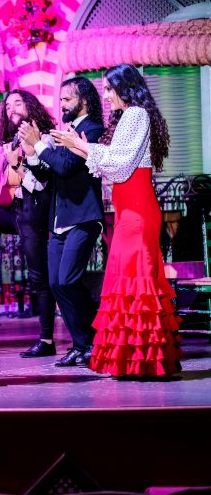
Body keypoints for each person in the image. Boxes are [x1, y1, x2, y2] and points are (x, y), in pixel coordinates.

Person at [50, 63, 182, 378]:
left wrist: (80, 146)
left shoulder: (136, 114)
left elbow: (120, 166)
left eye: (109, 88)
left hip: (137, 210)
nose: (105, 95)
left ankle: (144, 359)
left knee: (137, 278)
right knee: (128, 279)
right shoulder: (130, 117)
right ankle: (135, 358)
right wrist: (81, 148)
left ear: (126, 87)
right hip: (129, 210)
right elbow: (112, 166)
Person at [19, 77, 106, 366]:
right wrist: (32, 154)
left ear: (82, 100)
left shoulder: (91, 129)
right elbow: (48, 175)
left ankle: (96, 333)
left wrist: (41, 147)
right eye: (61, 100)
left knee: (68, 279)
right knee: (57, 283)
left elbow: (67, 167)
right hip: (59, 219)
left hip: (83, 216)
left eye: (67, 99)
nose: (62, 104)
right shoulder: (63, 132)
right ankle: (81, 344)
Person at [0, 90, 57, 358]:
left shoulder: (45, 137)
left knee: (39, 277)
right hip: (12, 210)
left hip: (33, 212)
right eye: (7, 105)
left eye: (18, 103)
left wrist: (16, 166)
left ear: (30, 106)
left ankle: (47, 339)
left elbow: (41, 183)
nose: (12, 108)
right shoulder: (10, 142)